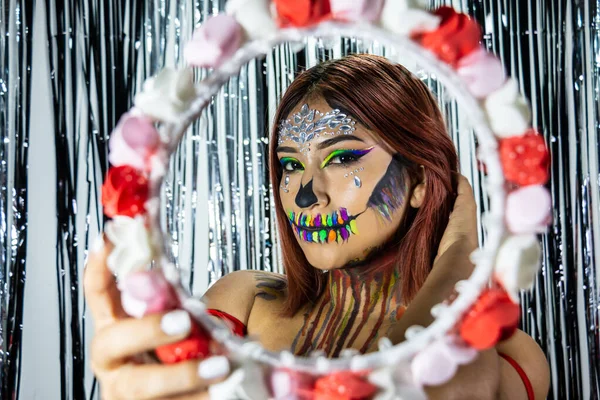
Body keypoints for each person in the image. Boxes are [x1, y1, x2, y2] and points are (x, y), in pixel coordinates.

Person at [85, 54, 550, 399]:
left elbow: (440, 389)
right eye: (289, 166)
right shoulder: (245, 303)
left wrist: (460, 253)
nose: (305, 195)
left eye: (342, 157)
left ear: (420, 182)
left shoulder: (510, 353)